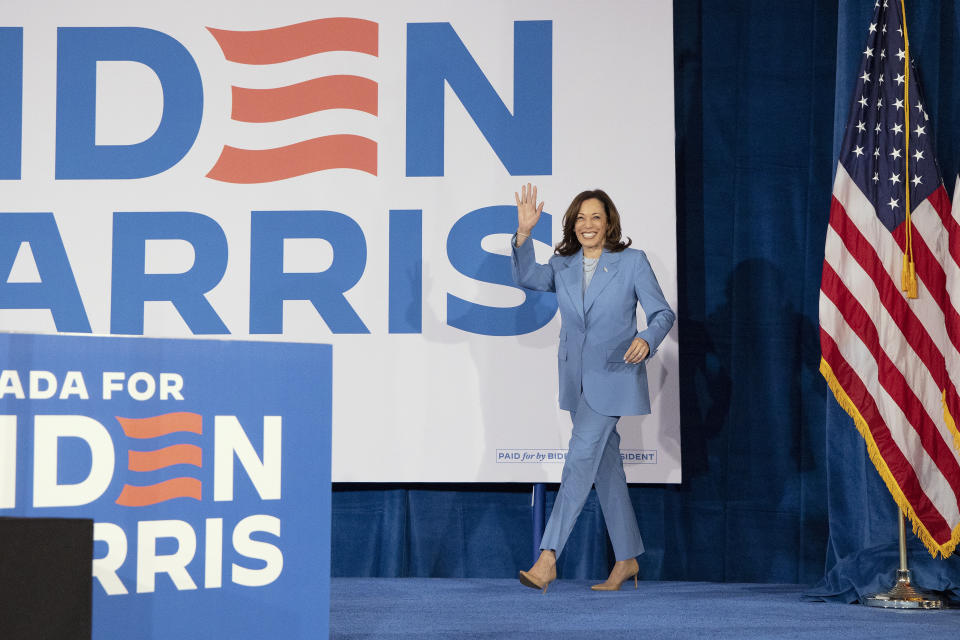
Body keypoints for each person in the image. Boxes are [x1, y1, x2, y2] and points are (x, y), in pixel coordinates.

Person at [511, 183, 675, 593]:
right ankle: (627, 560)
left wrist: (646, 338)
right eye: (581, 218)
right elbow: (529, 277)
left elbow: (662, 313)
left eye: (595, 217)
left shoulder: (632, 262)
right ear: (572, 224)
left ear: (609, 223)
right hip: (575, 380)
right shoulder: (562, 265)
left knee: (579, 461)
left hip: (615, 375)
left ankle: (548, 558)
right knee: (607, 472)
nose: (588, 224)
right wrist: (524, 235)